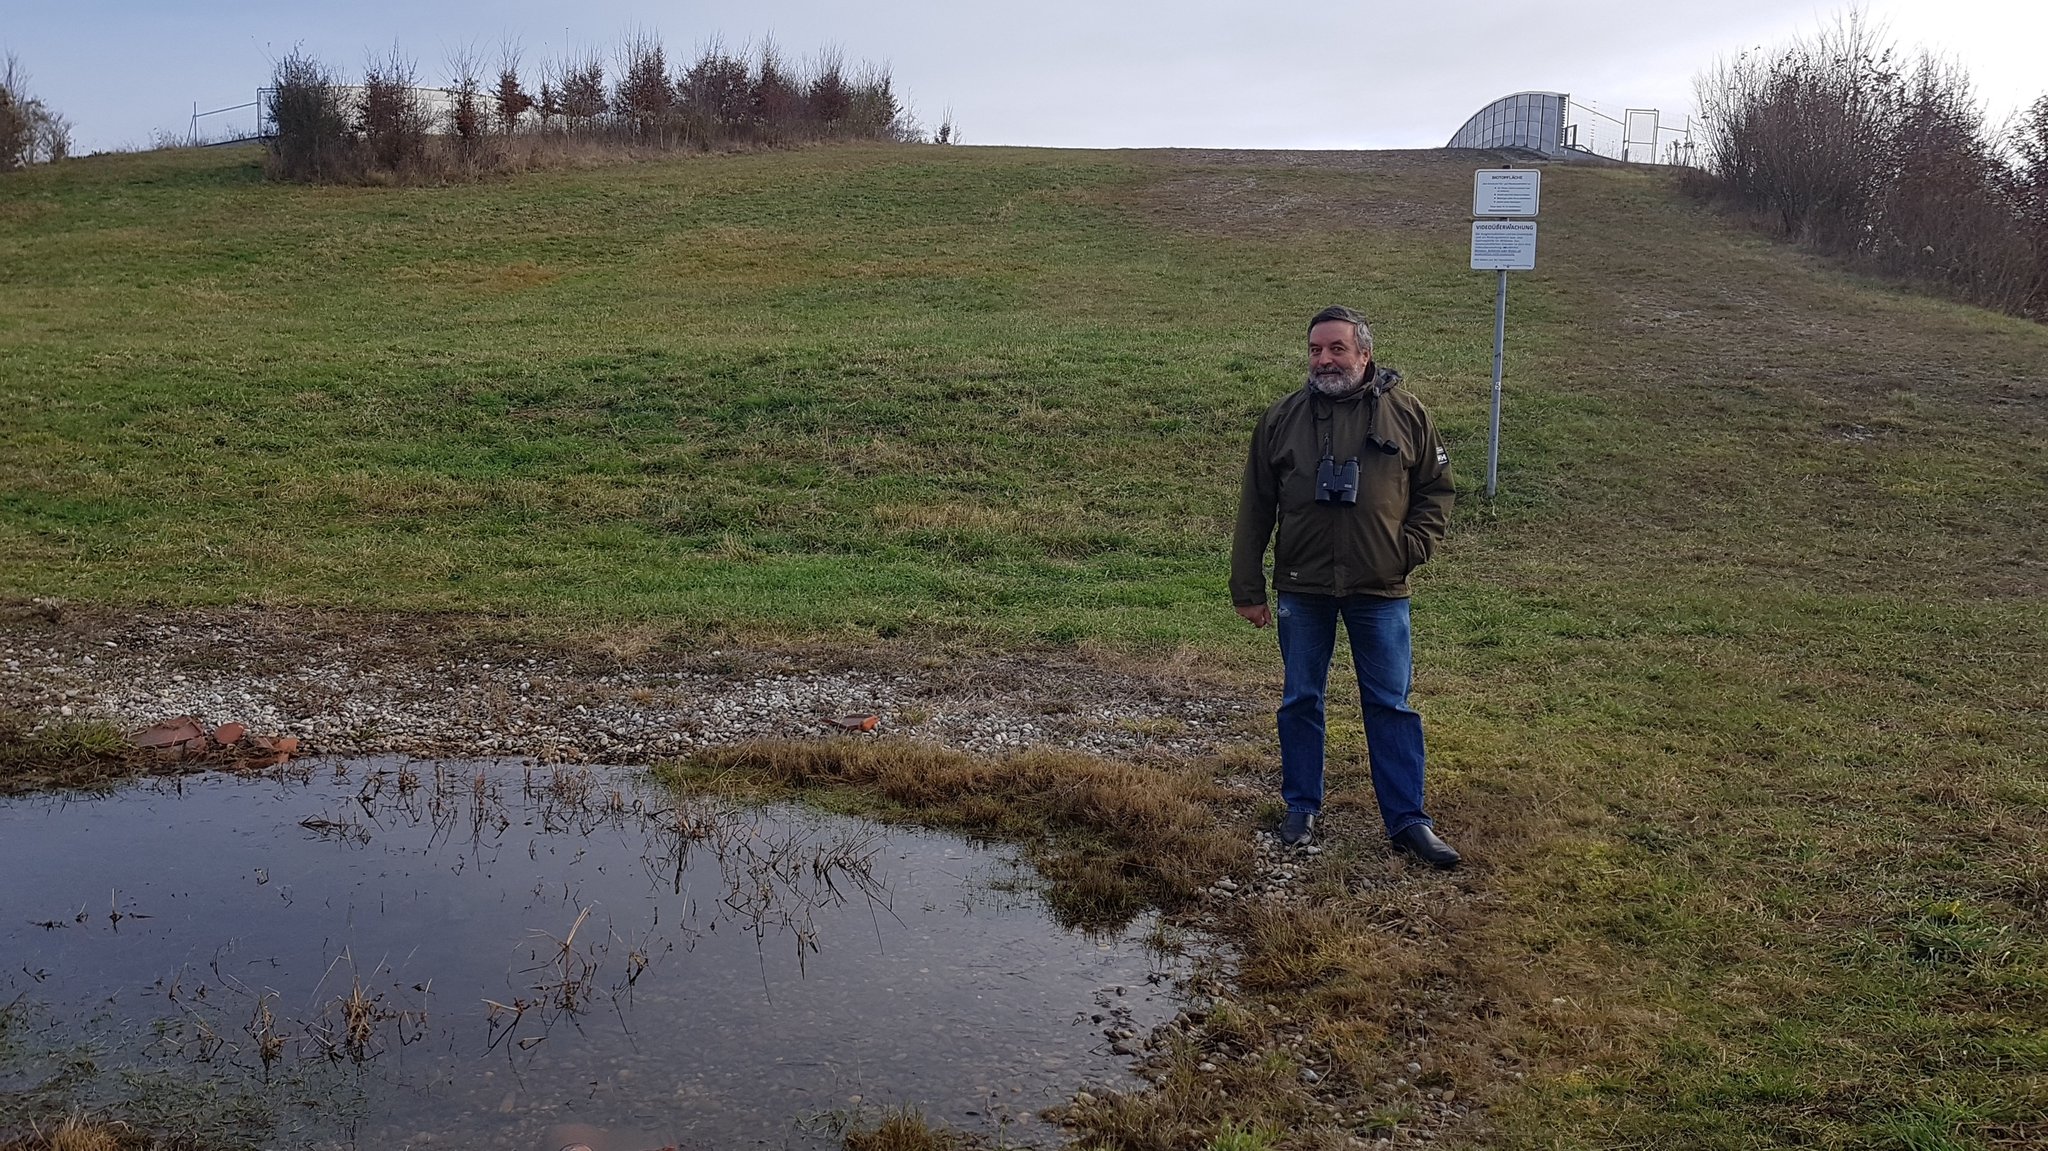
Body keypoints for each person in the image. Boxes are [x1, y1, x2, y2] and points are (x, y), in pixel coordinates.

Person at [1229, 305, 1461, 867]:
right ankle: (1301, 807)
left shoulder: (1408, 414)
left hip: (1380, 588)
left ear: (1364, 353)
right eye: (1315, 349)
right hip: (1302, 587)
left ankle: (1408, 821)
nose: (1324, 360)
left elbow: (1436, 490)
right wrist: (1247, 585)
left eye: (1336, 349)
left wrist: (1409, 550)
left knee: (1391, 703)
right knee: (1300, 699)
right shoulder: (1281, 418)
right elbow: (1255, 506)